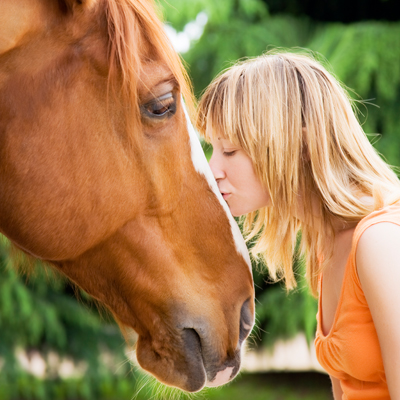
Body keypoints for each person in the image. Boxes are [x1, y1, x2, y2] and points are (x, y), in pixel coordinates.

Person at [195, 51, 400, 399]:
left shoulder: (379, 242)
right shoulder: (328, 246)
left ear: (302, 145)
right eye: (212, 149)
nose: (214, 170)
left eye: (229, 150)